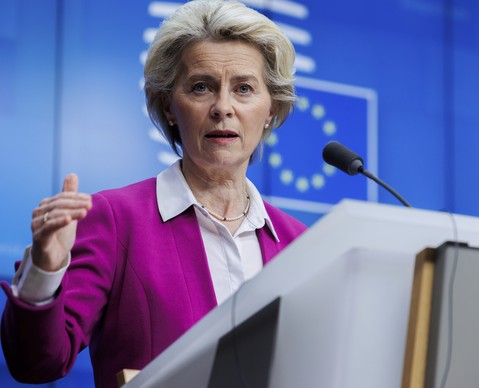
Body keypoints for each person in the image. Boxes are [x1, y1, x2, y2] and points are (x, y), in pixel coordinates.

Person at [1, 1, 307, 387]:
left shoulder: (299, 243)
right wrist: (45, 270)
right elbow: (36, 363)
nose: (223, 108)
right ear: (170, 106)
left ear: (270, 110)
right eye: (201, 87)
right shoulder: (114, 219)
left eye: (244, 89)